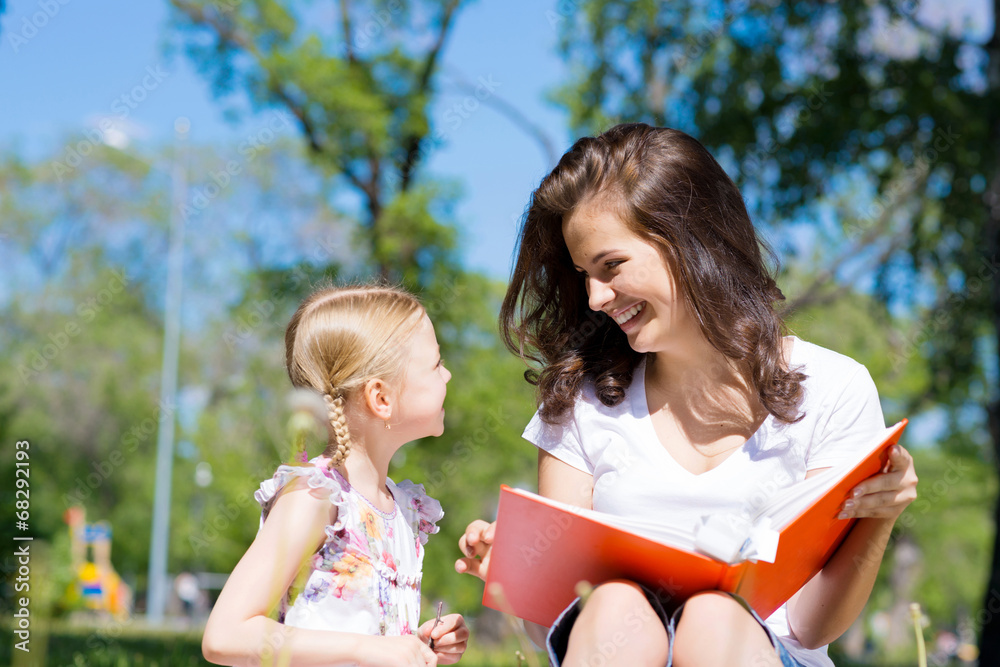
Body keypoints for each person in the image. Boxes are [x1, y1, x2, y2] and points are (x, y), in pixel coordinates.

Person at [456, 124, 918, 667]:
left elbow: (810, 627)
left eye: (611, 266)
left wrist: (877, 515)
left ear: (690, 240)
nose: (596, 297)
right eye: (584, 275)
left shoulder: (835, 388)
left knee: (715, 618)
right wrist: (517, 573)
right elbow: (552, 627)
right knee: (616, 607)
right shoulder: (580, 402)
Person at [203, 284, 468, 667]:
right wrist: (367, 650)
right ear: (381, 398)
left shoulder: (402, 509)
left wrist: (420, 645)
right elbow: (226, 633)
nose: (447, 374)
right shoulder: (316, 497)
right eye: (435, 363)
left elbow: (372, 631)